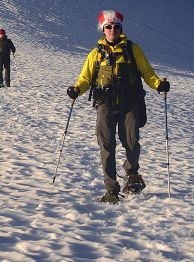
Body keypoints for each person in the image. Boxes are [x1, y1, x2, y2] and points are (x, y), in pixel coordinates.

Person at [67, 11, 169, 203]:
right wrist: (76, 89)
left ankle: (132, 176)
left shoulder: (133, 49)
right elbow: (86, 78)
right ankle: (111, 189)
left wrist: (158, 85)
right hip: (105, 104)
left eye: (115, 26)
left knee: (131, 142)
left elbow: (147, 73)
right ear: (103, 29)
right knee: (106, 146)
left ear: (121, 29)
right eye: (108, 26)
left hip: (129, 102)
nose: (112, 30)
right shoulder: (95, 53)